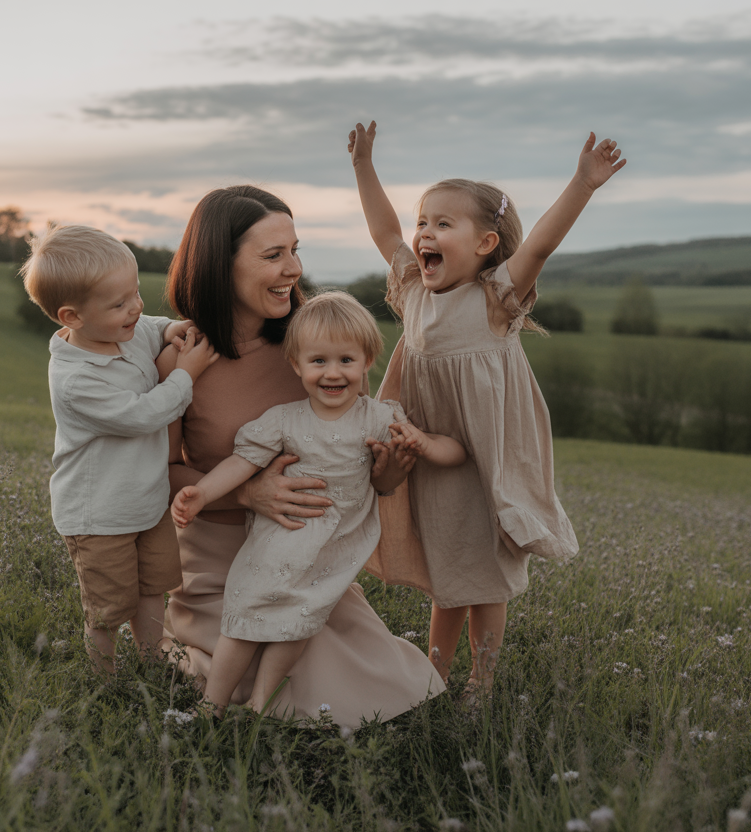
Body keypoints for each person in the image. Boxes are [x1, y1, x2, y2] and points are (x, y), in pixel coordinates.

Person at [348, 121, 625, 696]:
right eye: (423, 221)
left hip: (488, 462)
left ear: (485, 245)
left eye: (443, 223)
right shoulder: (415, 294)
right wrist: (363, 165)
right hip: (432, 457)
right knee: (450, 576)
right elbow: (383, 229)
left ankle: (482, 681)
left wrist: (583, 182)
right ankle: (433, 675)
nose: (423, 232)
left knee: (487, 580)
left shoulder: (497, 299)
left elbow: (543, 242)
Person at [157, 185, 446, 730]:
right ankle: (189, 643)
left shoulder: (314, 334)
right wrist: (248, 491)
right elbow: (162, 470)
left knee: (377, 682)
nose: (292, 269)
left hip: (311, 553)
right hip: (220, 558)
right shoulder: (183, 355)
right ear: (221, 264)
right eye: (273, 255)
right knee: (249, 676)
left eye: (295, 249)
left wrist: (385, 476)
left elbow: (350, 452)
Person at [21, 224, 218, 674]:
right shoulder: (76, 380)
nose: (136, 308)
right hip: (99, 515)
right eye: (119, 303)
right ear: (72, 318)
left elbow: (154, 327)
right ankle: (104, 678)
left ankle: (150, 662)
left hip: (146, 502)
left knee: (152, 588)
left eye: (135, 293)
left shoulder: (126, 332)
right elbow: (143, 415)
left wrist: (175, 329)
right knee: (109, 608)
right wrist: (185, 373)